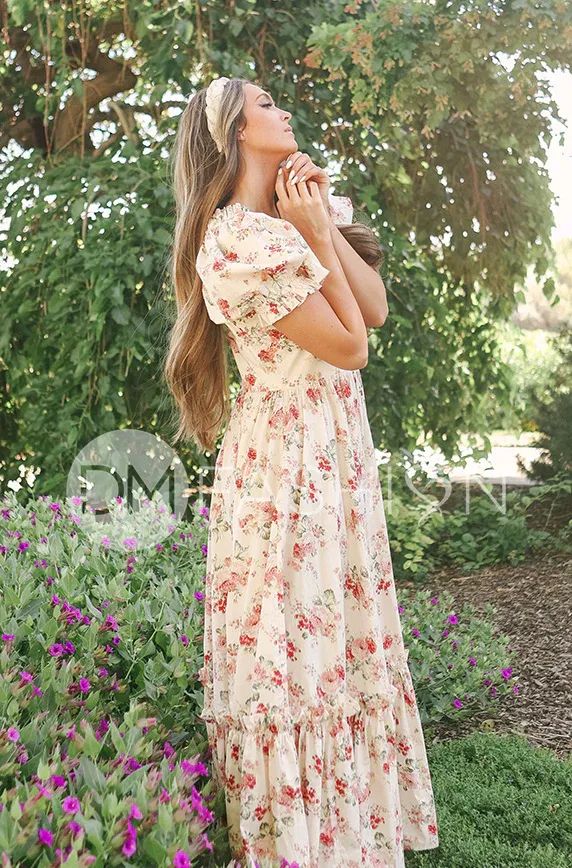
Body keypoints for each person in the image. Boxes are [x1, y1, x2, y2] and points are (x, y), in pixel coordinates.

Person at [164, 76, 439, 868]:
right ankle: (296, 843)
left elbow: (375, 309)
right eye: (267, 105)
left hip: (332, 455)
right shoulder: (240, 242)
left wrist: (318, 226)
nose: (283, 112)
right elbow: (350, 349)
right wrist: (316, 238)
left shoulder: (298, 212)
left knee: (335, 641)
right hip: (287, 469)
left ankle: (351, 834)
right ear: (237, 133)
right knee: (289, 649)